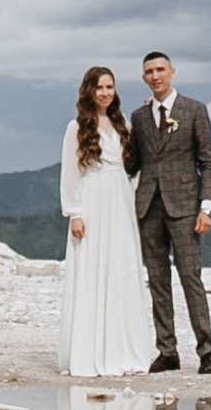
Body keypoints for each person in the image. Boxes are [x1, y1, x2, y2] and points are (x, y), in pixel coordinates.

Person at [58, 65, 157, 378]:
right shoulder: (76, 127)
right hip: (92, 198)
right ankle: (91, 351)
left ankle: (124, 347)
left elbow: (136, 160)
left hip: (120, 198)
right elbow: (70, 174)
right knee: (93, 269)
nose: (105, 93)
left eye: (110, 87)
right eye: (99, 87)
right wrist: (75, 212)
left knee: (122, 268)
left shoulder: (121, 123)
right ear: (89, 90)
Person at [128, 52, 211, 375]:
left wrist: (206, 207)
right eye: (149, 71)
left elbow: (206, 162)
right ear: (144, 78)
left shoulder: (195, 110)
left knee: (191, 278)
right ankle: (168, 351)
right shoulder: (139, 117)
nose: (155, 76)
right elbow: (132, 162)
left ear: (172, 73)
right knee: (158, 282)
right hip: (148, 207)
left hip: (185, 207)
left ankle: (206, 352)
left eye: (160, 70)